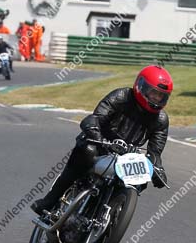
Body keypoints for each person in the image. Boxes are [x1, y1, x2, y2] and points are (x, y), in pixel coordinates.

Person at [30, 66, 172, 215]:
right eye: (154, 93)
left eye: (161, 96)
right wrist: (98, 138)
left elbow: (155, 152)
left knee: (142, 178)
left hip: (126, 155)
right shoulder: (121, 96)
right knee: (87, 152)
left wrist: (158, 170)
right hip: (100, 142)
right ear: (141, 86)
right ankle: (49, 201)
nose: (156, 98)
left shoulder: (161, 120)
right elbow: (96, 118)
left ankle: (112, 216)